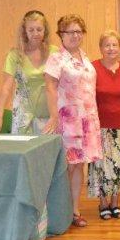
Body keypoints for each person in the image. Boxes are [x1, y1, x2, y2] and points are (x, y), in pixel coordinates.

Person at [44, 14, 102, 228]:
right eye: (70, 32)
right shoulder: (57, 58)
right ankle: (61, 211)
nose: (75, 35)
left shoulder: (84, 57)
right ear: (61, 34)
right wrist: (53, 116)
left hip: (87, 120)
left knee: (79, 167)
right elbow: (49, 87)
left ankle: (75, 210)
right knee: (67, 167)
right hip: (68, 121)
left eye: (79, 31)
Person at [88, 30, 120, 220]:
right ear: (101, 48)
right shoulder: (92, 68)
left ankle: (115, 203)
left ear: (119, 47)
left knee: (119, 166)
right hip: (100, 128)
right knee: (101, 167)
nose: (111, 48)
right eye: (107, 45)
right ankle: (102, 203)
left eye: (114, 45)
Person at [0, 10, 58, 134]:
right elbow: (6, 88)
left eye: (39, 29)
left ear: (45, 30)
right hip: (23, 117)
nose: (35, 33)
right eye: (31, 30)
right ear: (24, 32)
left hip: (50, 116)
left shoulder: (55, 53)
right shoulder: (15, 55)